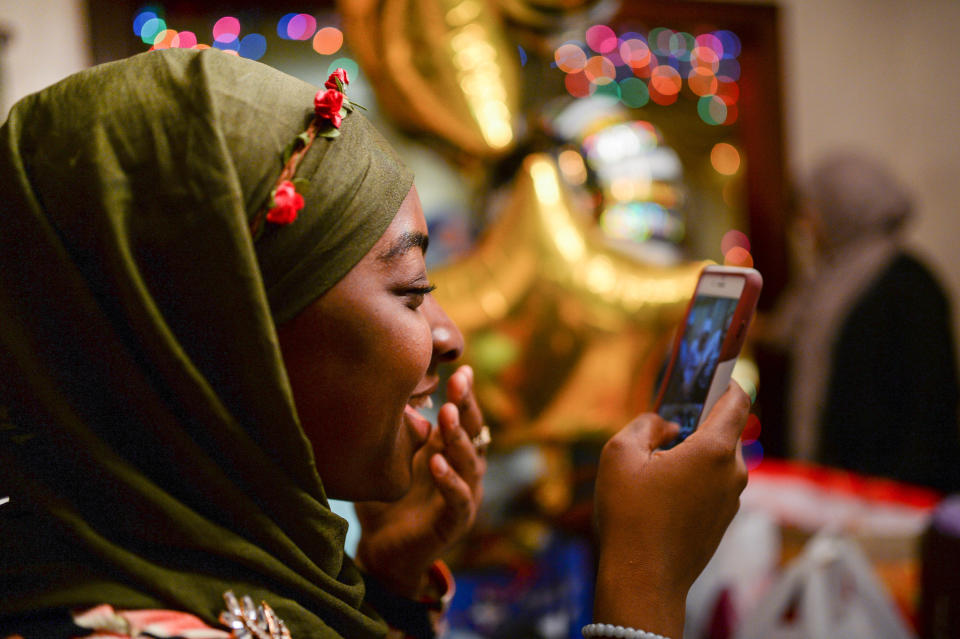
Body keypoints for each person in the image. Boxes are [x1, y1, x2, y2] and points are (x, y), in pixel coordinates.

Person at [0, 49, 749, 639]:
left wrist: (389, 584)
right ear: (231, 340)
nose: (451, 335)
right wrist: (642, 589)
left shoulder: (214, 572)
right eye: (413, 290)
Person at [763, 150, 960, 492]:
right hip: (837, 489)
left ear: (844, 205)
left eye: (813, 208)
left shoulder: (910, 284)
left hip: (892, 497)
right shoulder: (824, 284)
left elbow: (931, 407)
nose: (807, 225)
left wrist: (894, 489)